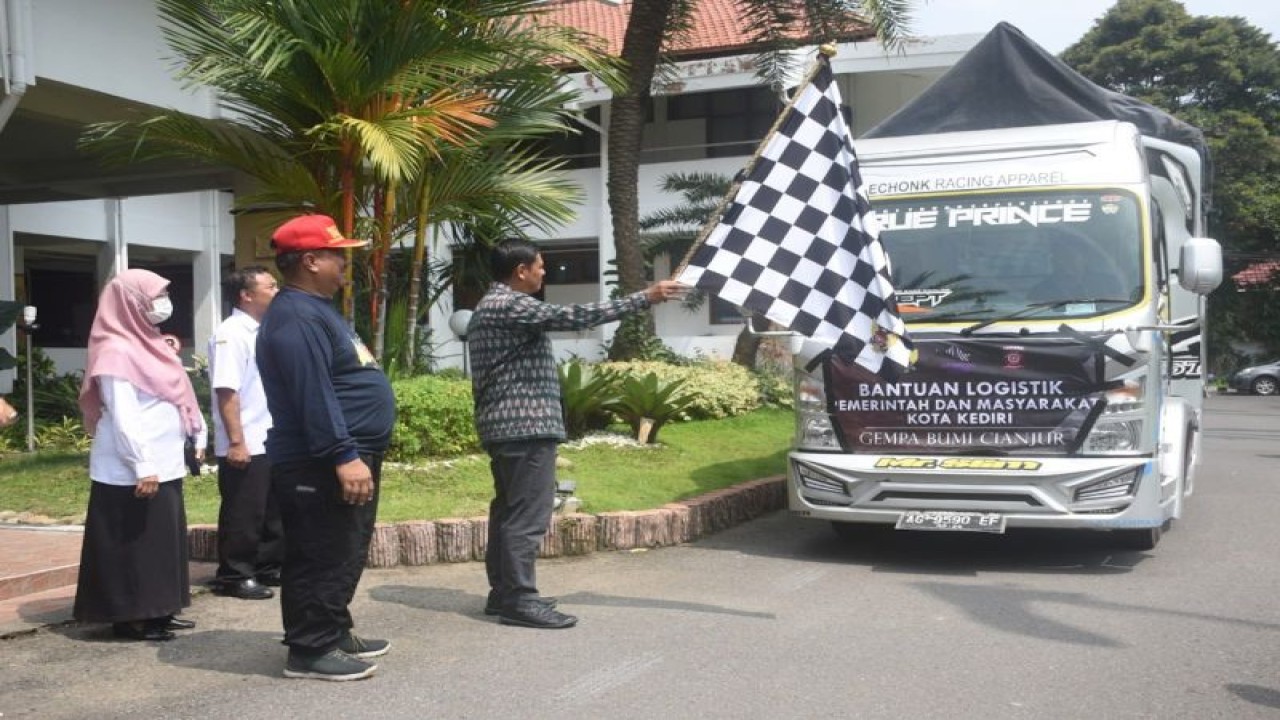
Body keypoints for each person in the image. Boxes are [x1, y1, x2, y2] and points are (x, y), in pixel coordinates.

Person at [468, 238, 685, 629]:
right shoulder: (510, 304)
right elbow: (575, 315)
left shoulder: (493, 303)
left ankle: (504, 594)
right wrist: (645, 297)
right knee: (526, 517)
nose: (544, 272)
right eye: (540, 265)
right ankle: (519, 600)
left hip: (508, 428)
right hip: (525, 427)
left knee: (509, 514)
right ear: (521, 271)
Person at [256, 214, 396, 682]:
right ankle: (310, 649)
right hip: (317, 461)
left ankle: (332, 631)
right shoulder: (295, 317)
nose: (344, 265)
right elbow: (312, 394)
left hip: (343, 453)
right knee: (320, 553)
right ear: (311, 261)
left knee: (343, 550)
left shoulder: (314, 309)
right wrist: (343, 454)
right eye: (338, 255)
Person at [73, 269, 206, 642]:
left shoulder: (152, 344)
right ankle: (131, 617)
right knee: (133, 543)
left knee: (160, 541)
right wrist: (142, 465)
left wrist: (197, 432)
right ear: (130, 302)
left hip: (165, 462)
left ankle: (160, 610)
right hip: (131, 467)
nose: (163, 304)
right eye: (155, 296)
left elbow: (179, 395)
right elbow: (124, 415)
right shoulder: (115, 350)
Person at [208, 266, 282, 600]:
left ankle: (268, 566)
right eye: (271, 286)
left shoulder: (263, 330)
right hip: (247, 438)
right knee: (244, 511)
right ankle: (234, 575)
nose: (277, 291)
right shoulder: (231, 333)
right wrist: (236, 441)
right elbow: (227, 390)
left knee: (272, 510)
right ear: (246, 295)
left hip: (270, 435)